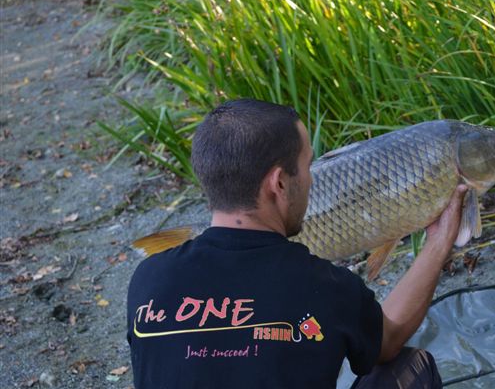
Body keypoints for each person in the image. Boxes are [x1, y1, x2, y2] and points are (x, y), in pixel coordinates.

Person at [127, 98, 467, 388]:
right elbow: (389, 340)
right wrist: (438, 244)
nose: (311, 179)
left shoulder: (148, 279)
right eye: (307, 166)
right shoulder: (323, 286)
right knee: (409, 366)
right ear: (279, 182)